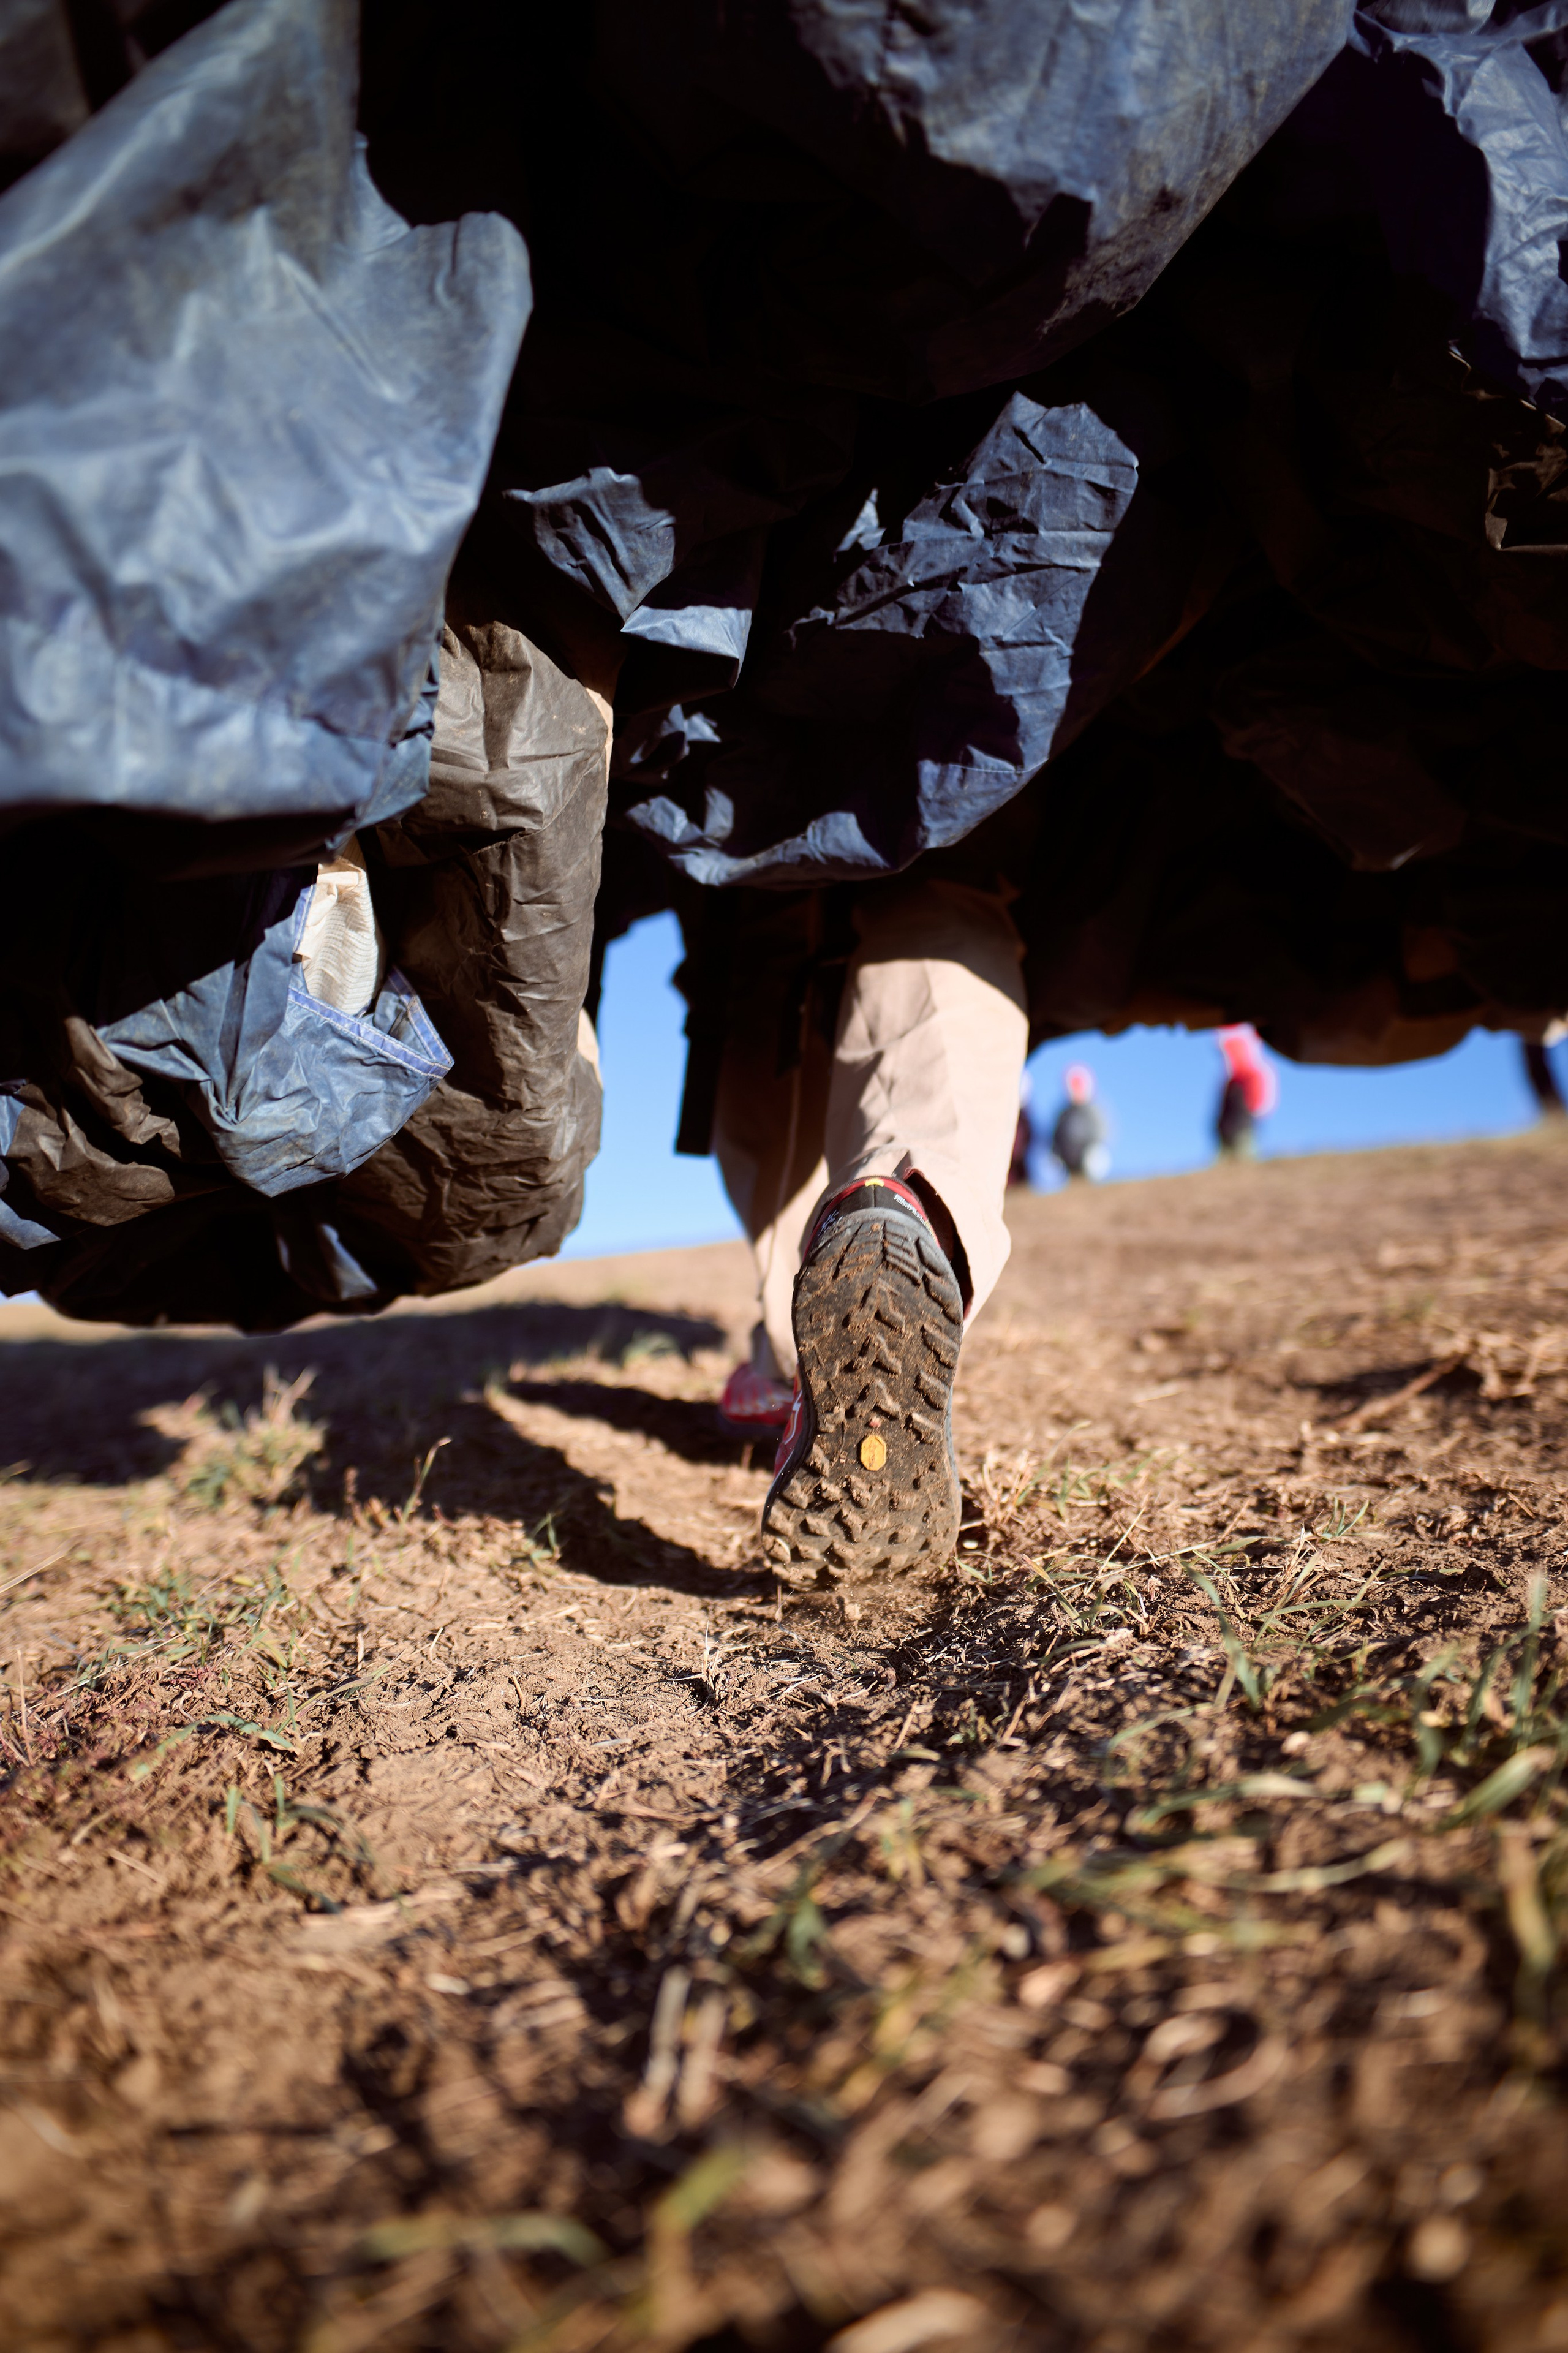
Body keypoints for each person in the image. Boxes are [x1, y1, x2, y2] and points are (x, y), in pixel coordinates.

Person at [1215, 1027, 1277, 1160]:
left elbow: (1262, 1104)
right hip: (1227, 1132)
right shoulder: (1231, 1083)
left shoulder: (1254, 1075)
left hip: (1243, 1129)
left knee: (1245, 1159)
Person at [1050, 1066, 1110, 1182]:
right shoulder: (1064, 1114)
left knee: (1097, 1156)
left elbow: (1103, 1133)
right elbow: (1055, 1137)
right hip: (1068, 1162)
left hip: (1088, 1158)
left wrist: (1092, 1148)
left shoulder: (1094, 1111)